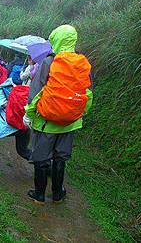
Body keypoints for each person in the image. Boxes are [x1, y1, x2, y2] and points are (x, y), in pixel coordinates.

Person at [24, 25, 93, 203]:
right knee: (60, 157)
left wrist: (29, 113)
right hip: (70, 121)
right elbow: (87, 93)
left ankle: (39, 194)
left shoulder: (49, 61)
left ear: (55, 39)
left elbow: (36, 90)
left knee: (42, 157)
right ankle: (57, 193)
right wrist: (78, 113)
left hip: (47, 120)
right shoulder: (82, 63)